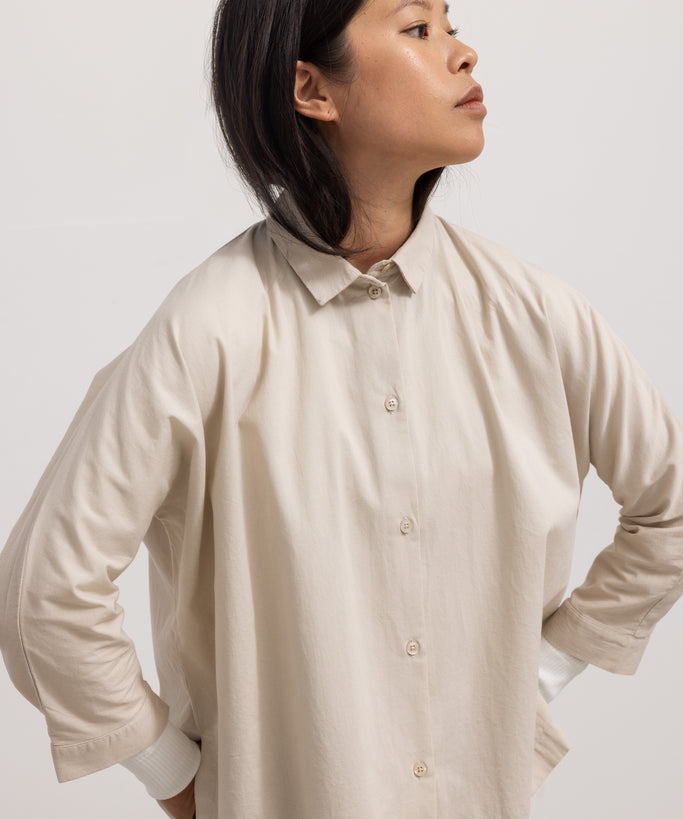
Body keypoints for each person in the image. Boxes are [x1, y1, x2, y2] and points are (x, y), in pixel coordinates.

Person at [1, 0, 682, 817]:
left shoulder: (536, 316)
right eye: (417, 28)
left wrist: (533, 678)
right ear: (311, 89)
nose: (463, 52)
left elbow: (669, 508)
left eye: (451, 23)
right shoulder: (205, 332)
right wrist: (173, 775)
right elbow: (47, 586)